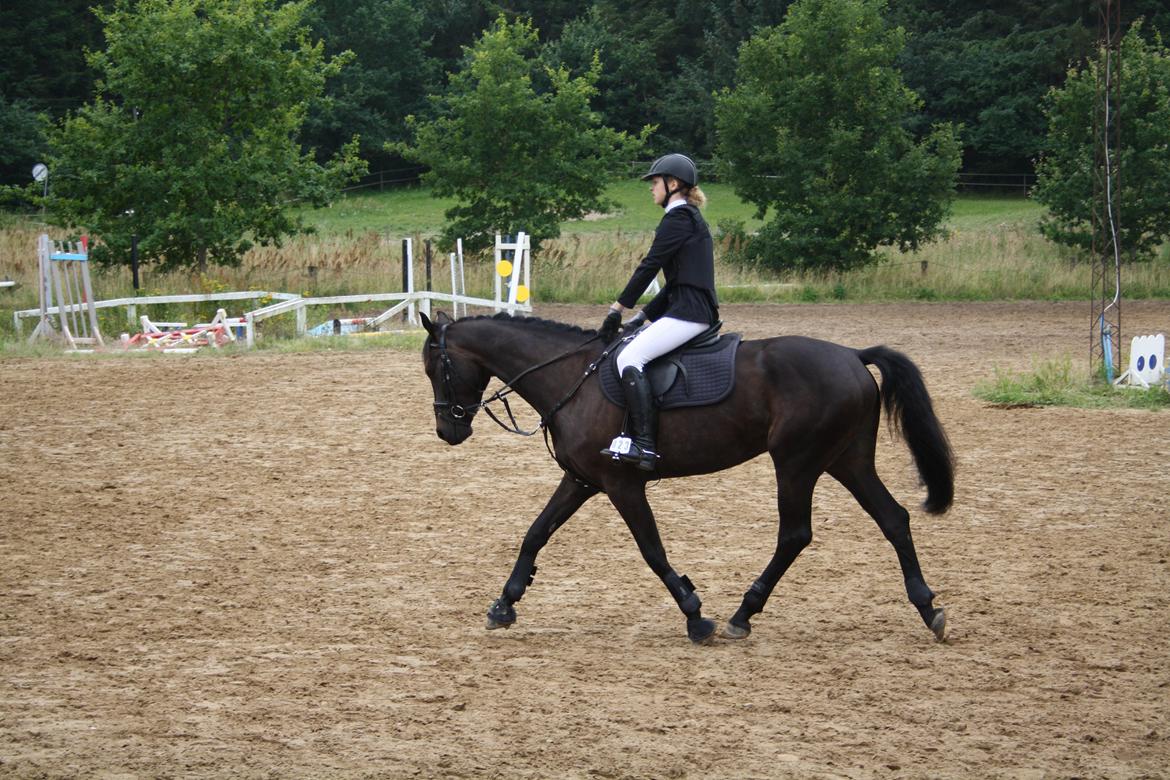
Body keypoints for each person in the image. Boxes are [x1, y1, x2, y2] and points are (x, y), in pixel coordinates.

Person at [599, 153, 719, 470]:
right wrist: (642, 317)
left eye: (655, 182)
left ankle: (645, 446)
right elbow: (675, 282)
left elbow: (649, 267)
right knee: (629, 347)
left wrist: (617, 309)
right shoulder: (688, 218)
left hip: (690, 313)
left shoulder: (679, 219)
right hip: (685, 308)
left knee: (628, 358)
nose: (651, 189)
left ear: (673, 184)